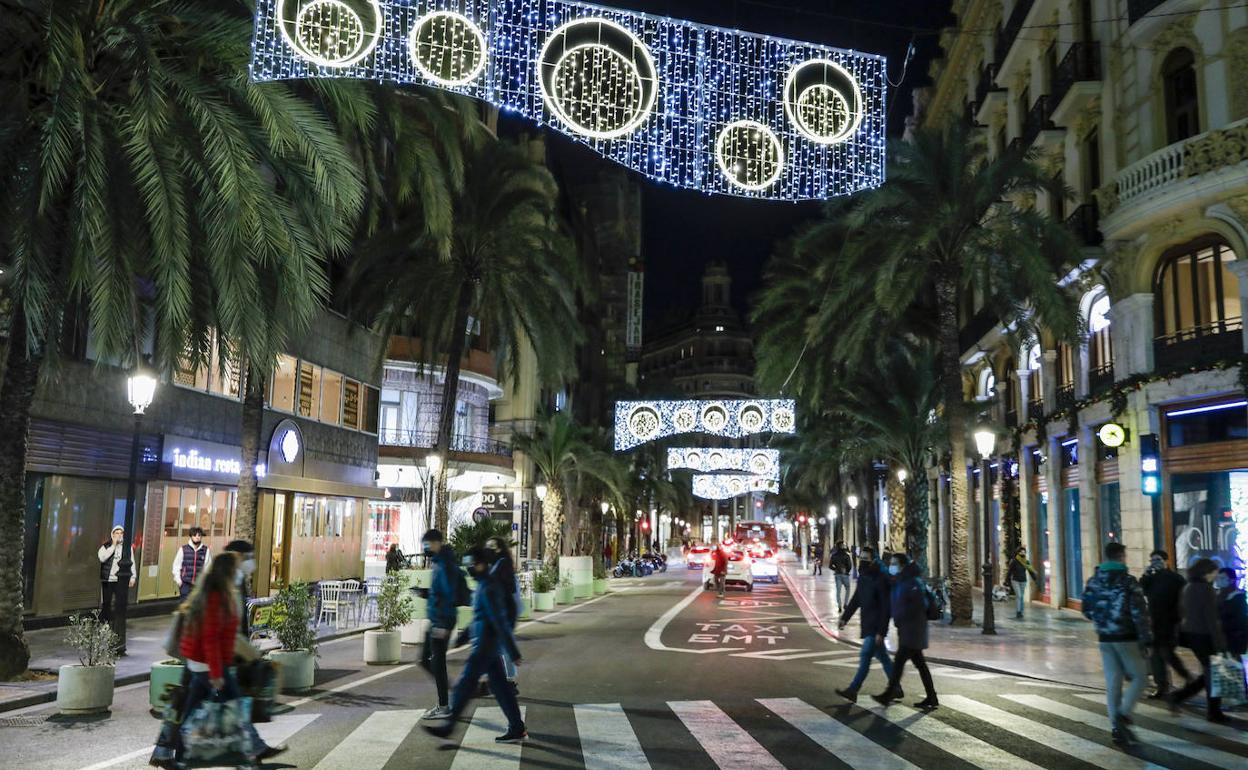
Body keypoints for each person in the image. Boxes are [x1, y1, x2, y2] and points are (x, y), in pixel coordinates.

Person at [173, 553, 283, 768]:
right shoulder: (217, 598)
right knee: (234, 705)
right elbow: (211, 638)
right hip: (208, 664)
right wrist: (216, 673)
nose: (239, 573)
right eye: (236, 569)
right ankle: (253, 749)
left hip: (200, 663)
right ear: (228, 572)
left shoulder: (214, 593)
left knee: (192, 709)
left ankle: (177, 752)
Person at [423, 547, 526, 744]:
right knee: (502, 689)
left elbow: (499, 620)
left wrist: (513, 651)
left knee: (463, 686)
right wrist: (465, 635)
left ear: (483, 564)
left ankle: (449, 727)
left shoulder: (487, 587)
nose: (470, 568)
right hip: (487, 645)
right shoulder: (483, 585)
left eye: (473, 564)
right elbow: (482, 616)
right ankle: (517, 727)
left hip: (484, 647)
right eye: (468, 564)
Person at [1082, 542, 1152, 745]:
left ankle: (1116, 727)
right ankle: (1123, 714)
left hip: (1105, 637)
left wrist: (1102, 619)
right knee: (1140, 678)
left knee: (1113, 682)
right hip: (1126, 636)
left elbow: (1086, 609)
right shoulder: (1128, 581)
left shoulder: (1094, 581)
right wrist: (1146, 638)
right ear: (1121, 556)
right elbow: (1139, 613)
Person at [872, 553, 937, 711]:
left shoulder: (912, 582)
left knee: (899, 663)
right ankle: (932, 697)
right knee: (920, 665)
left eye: (894, 563)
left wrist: (901, 616)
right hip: (908, 629)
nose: (891, 566)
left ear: (902, 565)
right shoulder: (902, 580)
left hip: (913, 630)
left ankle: (888, 694)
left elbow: (919, 605)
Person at [1168, 558, 1229, 723]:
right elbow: (1211, 619)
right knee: (1213, 673)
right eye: (1215, 572)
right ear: (1207, 572)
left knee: (1209, 672)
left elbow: (1182, 612)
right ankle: (1213, 712)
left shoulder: (1188, 587)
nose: (1216, 575)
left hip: (1192, 635)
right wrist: (1220, 644)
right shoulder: (1206, 589)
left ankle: (1179, 696)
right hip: (1205, 636)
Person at [835, 546, 893, 703]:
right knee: (884, 658)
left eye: (866, 559)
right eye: (861, 559)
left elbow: (886, 608)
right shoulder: (864, 577)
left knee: (865, 656)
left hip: (875, 626)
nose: (863, 562)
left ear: (874, 560)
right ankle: (896, 688)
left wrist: (882, 631)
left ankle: (853, 689)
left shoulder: (881, 578)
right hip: (867, 624)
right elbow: (856, 600)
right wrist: (844, 618)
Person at [1140, 549, 1192, 698]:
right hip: (1154, 622)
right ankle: (1162, 686)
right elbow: (1141, 589)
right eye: (1152, 561)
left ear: (1165, 561)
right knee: (1156, 655)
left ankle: (1186, 676)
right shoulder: (1151, 578)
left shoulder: (1175, 578)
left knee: (1167, 653)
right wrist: (1146, 574)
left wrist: (1181, 617)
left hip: (1171, 622)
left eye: (1158, 560)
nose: (1155, 563)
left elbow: (1184, 597)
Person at [419, 529, 459, 720]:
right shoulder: (438, 562)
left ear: (437, 543)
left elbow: (449, 594)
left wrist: (442, 624)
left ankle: (444, 704)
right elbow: (441, 591)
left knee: (436, 661)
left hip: (442, 620)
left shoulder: (444, 564)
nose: (425, 547)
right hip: (438, 618)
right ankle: (450, 693)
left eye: (427, 543)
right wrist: (425, 592)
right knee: (425, 660)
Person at [486, 536, 520, 695]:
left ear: (499, 548)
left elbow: (509, 592)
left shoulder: (502, 565)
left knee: (502, 648)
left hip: (504, 613)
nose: (489, 550)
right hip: (502, 613)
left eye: (492, 547)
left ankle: (508, 681)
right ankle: (501, 681)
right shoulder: (497, 564)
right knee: (497, 648)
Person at [97, 525, 135, 625]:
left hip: (120, 580)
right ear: (112, 534)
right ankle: (105, 621)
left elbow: (132, 562)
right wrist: (113, 546)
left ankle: (118, 621)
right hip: (108, 579)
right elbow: (102, 558)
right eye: (117, 533)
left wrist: (132, 577)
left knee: (120, 602)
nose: (119, 535)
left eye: (121, 533)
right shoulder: (106, 546)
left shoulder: (127, 547)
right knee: (107, 602)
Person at [1215, 567, 1247, 658]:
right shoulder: (1217, 595)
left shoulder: (1238, 597)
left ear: (1231, 580)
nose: (1219, 581)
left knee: (1234, 666)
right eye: (1218, 578)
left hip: (1234, 640)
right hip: (1221, 639)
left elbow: (1241, 621)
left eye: (1222, 578)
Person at [172, 527, 211, 600]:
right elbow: (176, 566)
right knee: (184, 606)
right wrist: (179, 581)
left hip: (199, 585)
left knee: (197, 608)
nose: (197, 537)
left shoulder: (206, 550)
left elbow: (208, 568)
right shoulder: (183, 549)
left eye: (199, 535)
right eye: (195, 535)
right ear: (191, 536)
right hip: (185, 584)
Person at [1006, 547, 1039, 619]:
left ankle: (1020, 611)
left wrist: (1035, 579)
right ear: (1018, 553)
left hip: (1023, 580)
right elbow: (1010, 571)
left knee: (1021, 596)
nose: (1022, 553)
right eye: (1021, 552)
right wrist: (1006, 580)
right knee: (1019, 596)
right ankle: (1018, 612)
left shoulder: (1026, 562)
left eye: (1024, 552)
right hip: (1015, 580)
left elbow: (1030, 571)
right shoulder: (1014, 561)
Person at [829, 541, 853, 611]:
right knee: (848, 589)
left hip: (837, 575)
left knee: (838, 591)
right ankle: (845, 604)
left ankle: (839, 606)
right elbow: (849, 566)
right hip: (845, 575)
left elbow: (830, 566)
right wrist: (846, 571)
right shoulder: (846, 555)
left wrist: (836, 569)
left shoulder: (834, 555)